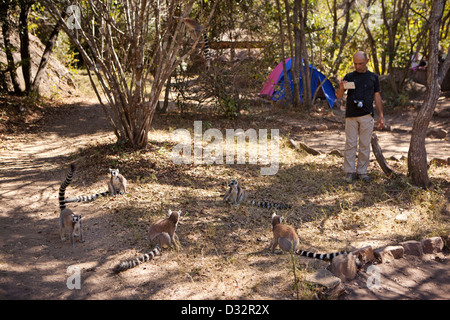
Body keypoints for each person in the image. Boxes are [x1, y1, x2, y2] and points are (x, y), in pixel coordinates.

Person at [336, 51, 384, 183]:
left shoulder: (373, 77)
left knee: (364, 144)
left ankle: (362, 172)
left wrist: (381, 115)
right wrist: (341, 88)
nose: (357, 66)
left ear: (367, 61)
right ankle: (349, 172)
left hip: (367, 114)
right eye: (355, 63)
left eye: (360, 63)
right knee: (350, 144)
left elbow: (377, 96)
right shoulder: (349, 76)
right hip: (351, 115)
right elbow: (339, 96)